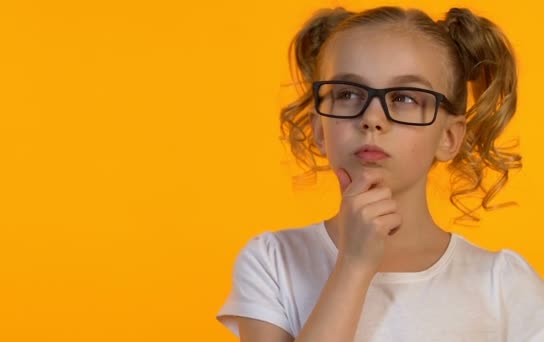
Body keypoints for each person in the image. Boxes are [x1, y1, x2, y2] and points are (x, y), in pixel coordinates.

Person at [215, 5, 544, 342]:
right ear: (319, 129)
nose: (372, 118)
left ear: (448, 138)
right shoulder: (274, 262)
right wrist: (354, 265)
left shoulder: (504, 286)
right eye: (347, 94)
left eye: (404, 98)